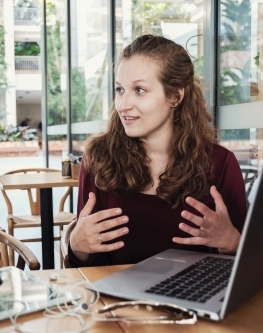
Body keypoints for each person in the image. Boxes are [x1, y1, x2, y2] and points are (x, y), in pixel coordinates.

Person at [67, 35, 247, 267]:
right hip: (116, 300)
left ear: (175, 96)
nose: (123, 104)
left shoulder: (220, 164)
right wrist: (76, 247)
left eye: (139, 90)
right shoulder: (99, 157)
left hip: (191, 299)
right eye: (120, 90)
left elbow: (246, 266)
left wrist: (234, 242)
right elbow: (83, 264)